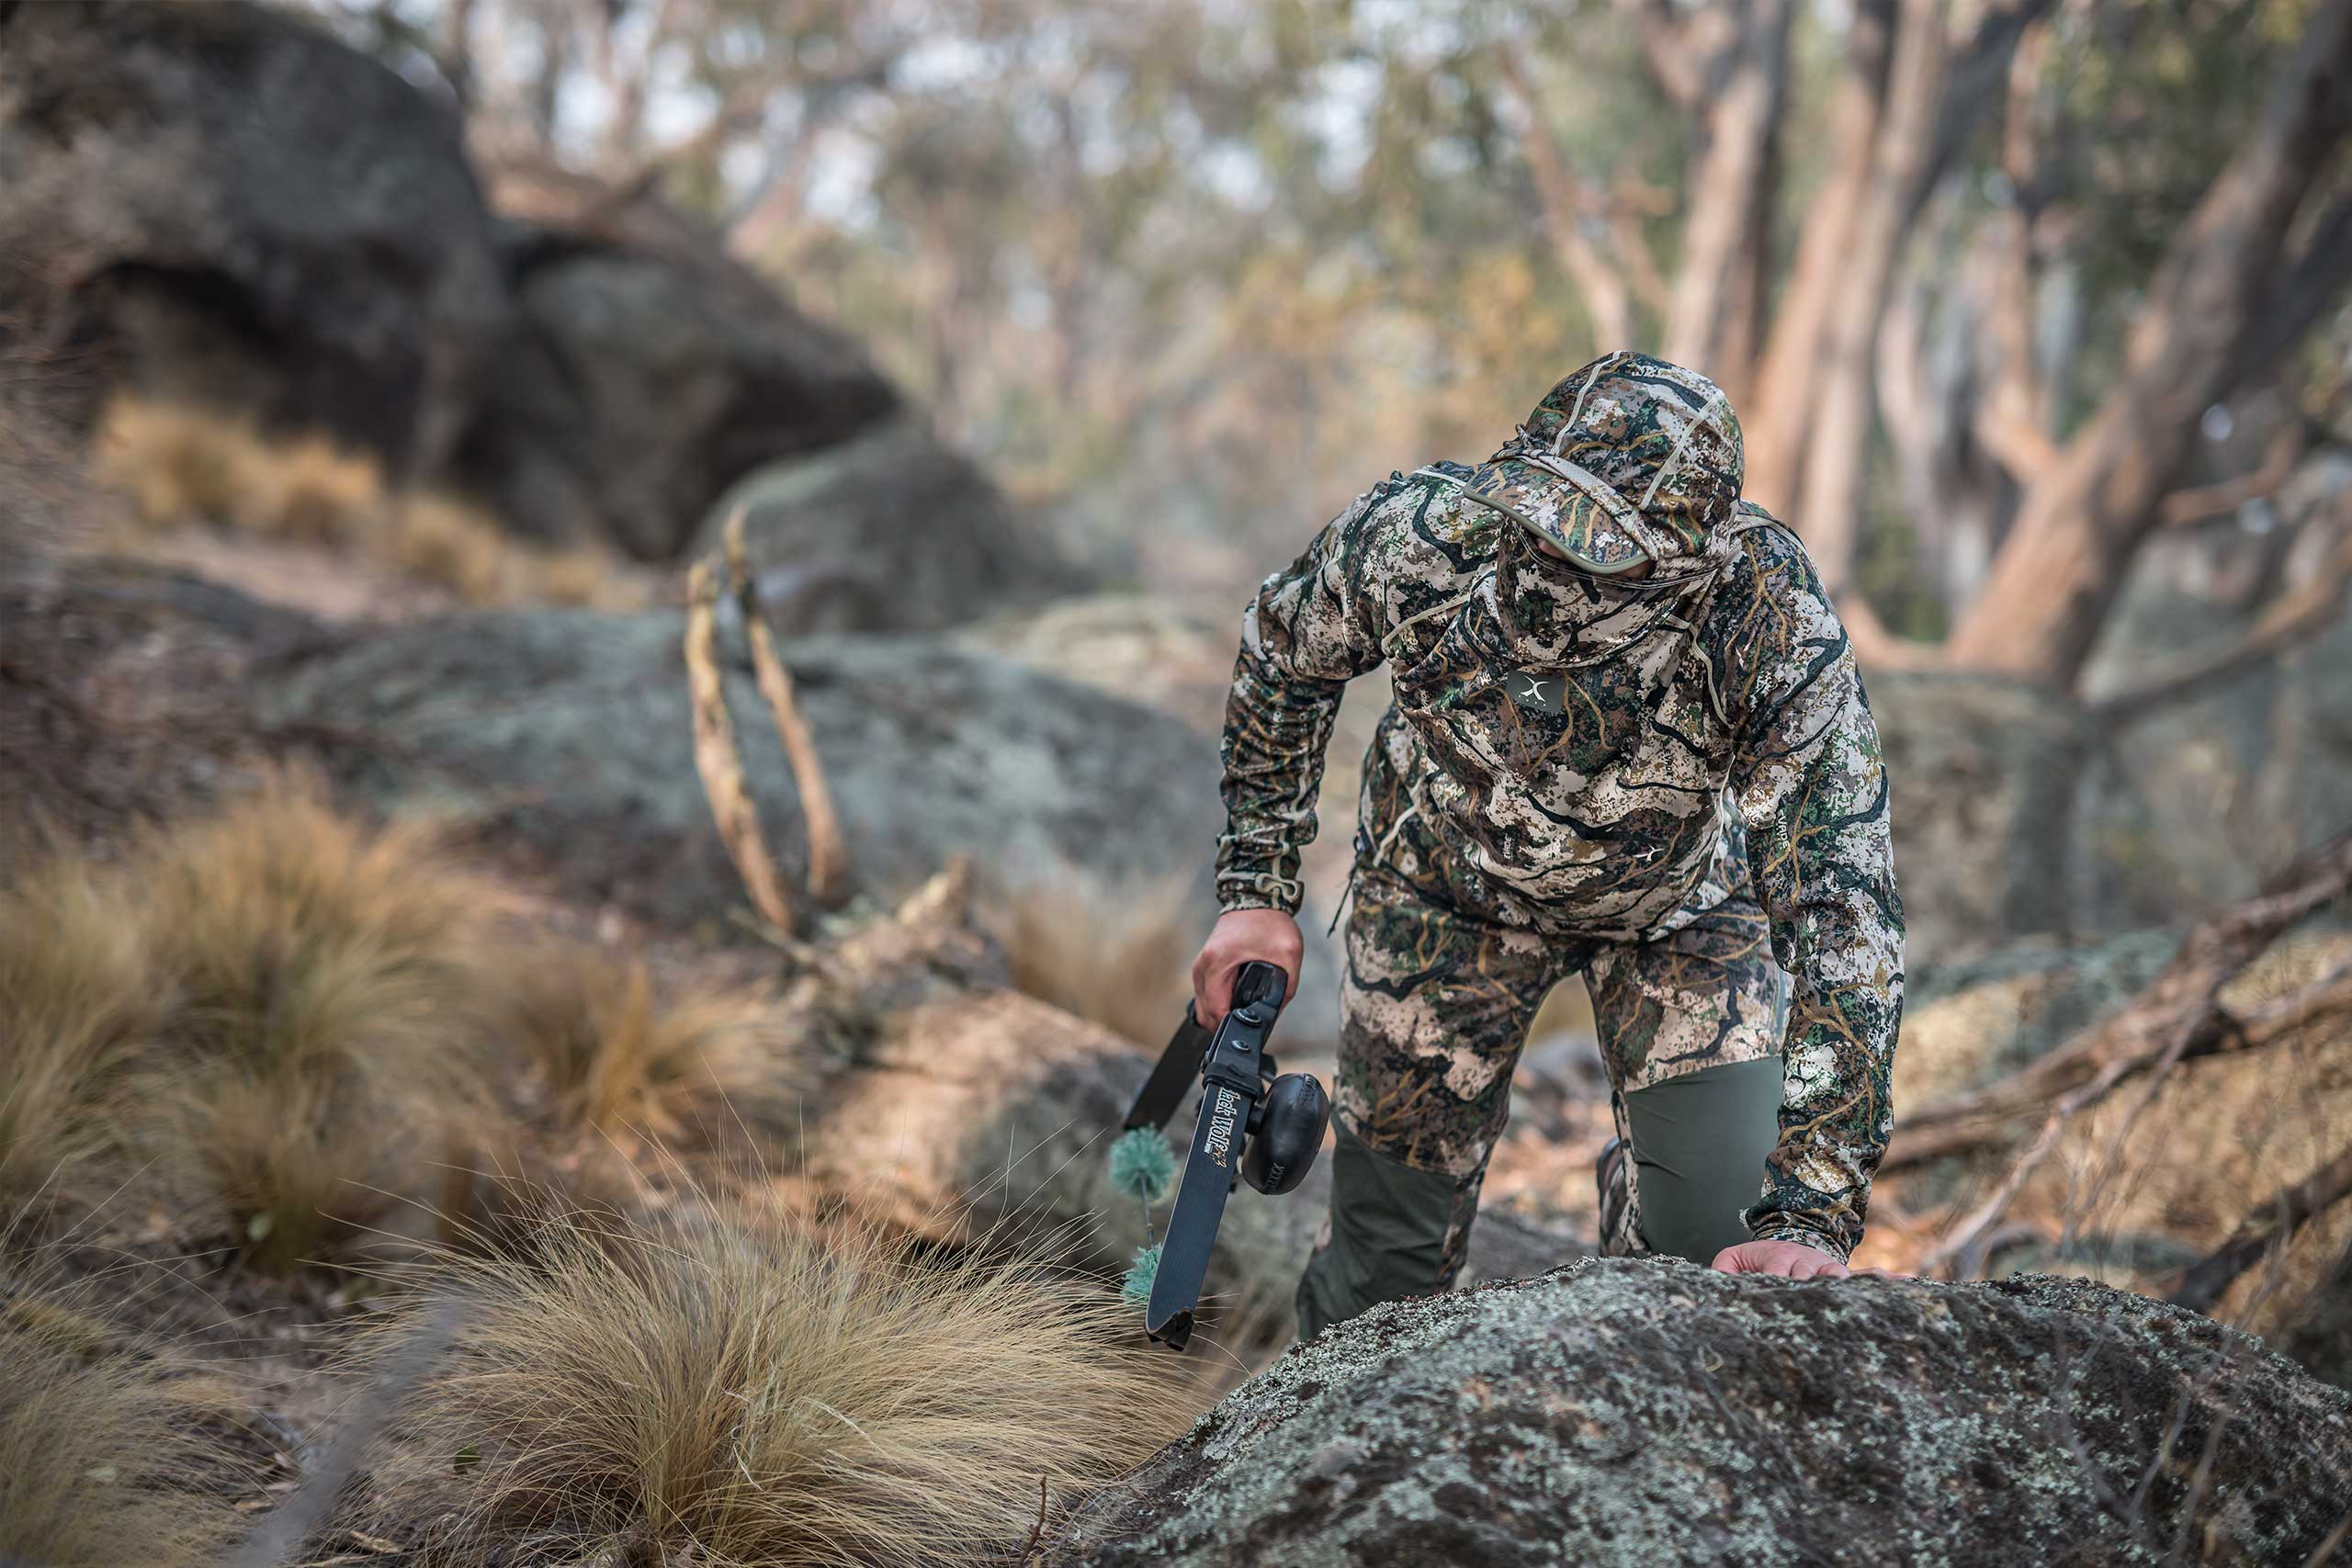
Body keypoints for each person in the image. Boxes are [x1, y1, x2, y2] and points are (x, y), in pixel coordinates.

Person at [1189, 351, 1905, 1337]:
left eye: (1599, 556)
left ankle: (1650, 1206)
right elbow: (1281, 652)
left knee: (1724, 1261)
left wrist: (1812, 1211)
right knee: (1376, 1290)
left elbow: (1845, 909)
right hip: (1440, 897)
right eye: (1538, 521)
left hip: (1677, 917)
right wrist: (1256, 891)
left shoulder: (1768, 622)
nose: (1553, 571)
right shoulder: (1422, 540)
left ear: (1690, 561)